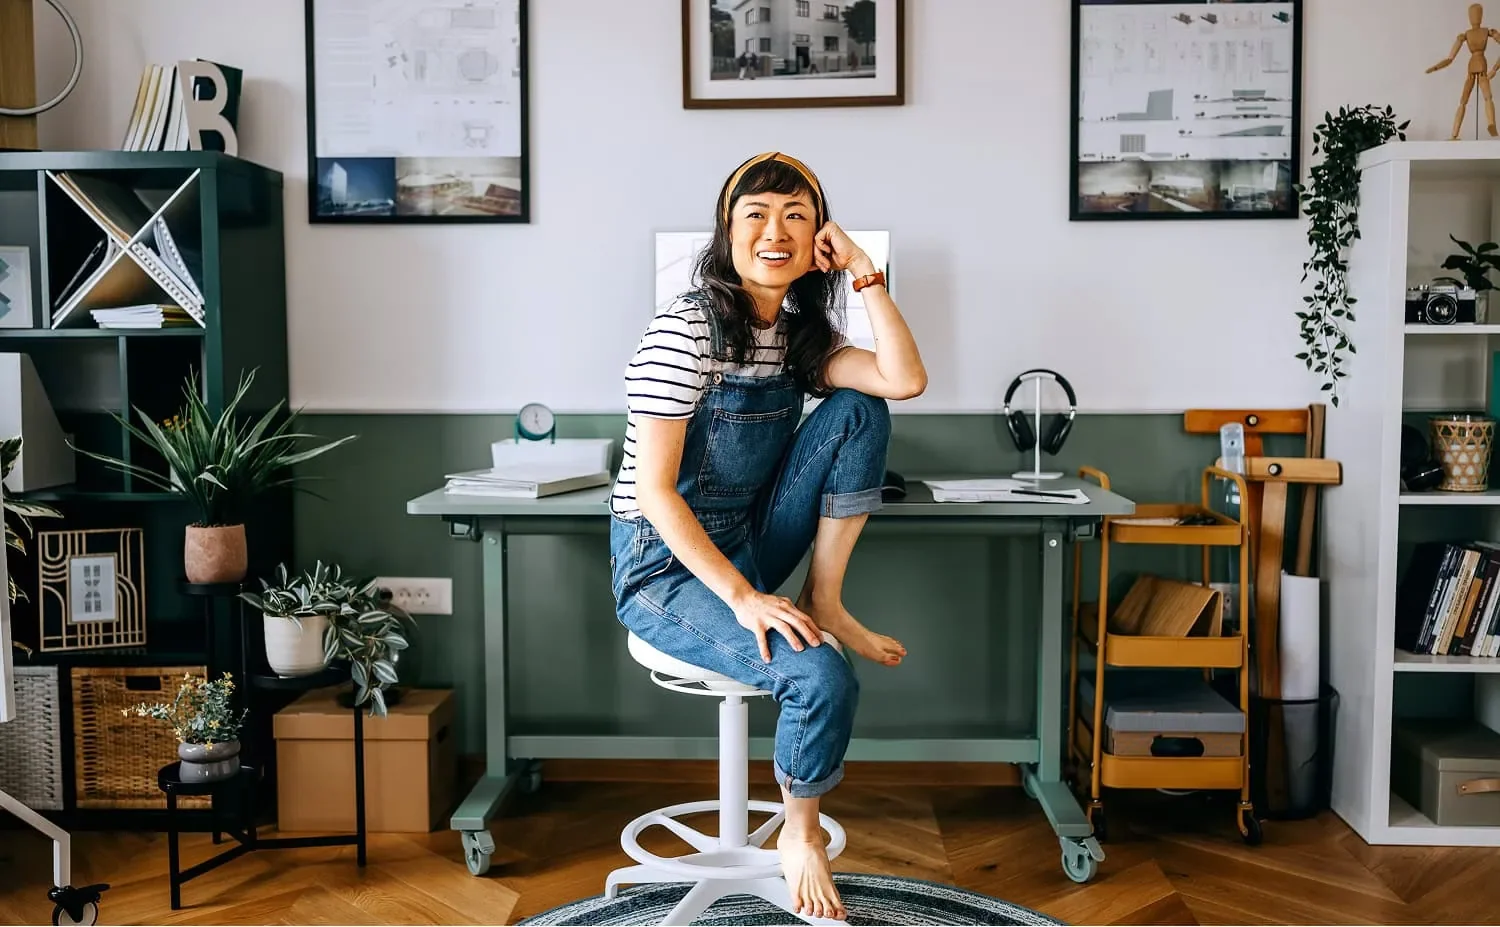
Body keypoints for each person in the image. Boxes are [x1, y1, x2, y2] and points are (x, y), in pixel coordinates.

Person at [609, 151, 927, 920]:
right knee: (821, 675)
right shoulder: (682, 332)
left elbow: (903, 379)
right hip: (666, 569)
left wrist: (865, 272)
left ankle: (826, 594)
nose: (775, 231)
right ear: (727, 232)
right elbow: (654, 492)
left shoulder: (797, 333)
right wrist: (746, 596)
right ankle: (800, 833)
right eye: (756, 214)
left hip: (750, 538)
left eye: (797, 215)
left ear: (820, 236)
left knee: (862, 410)